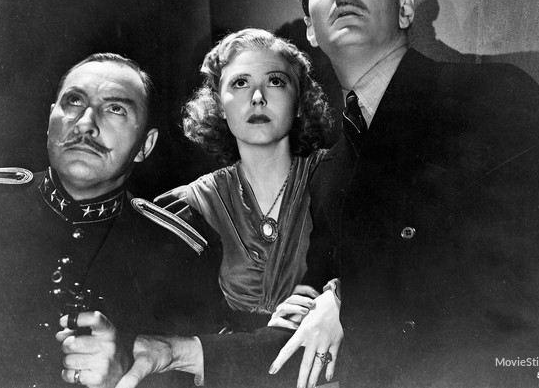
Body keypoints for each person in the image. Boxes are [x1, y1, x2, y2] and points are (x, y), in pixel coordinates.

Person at [272, 0, 539, 387]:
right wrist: (201, 350)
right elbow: (306, 333)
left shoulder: (493, 97)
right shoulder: (329, 172)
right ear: (312, 30)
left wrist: (348, 299)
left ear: (405, 10)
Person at [57, 29, 340, 388]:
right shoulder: (184, 209)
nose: (257, 97)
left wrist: (337, 297)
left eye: (275, 81)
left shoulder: (338, 176)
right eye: (239, 83)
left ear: (299, 101)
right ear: (219, 104)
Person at [0, 53, 220, 387]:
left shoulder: (179, 254)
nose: (85, 123)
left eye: (116, 108)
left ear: (144, 146)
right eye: (74, 101)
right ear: (50, 120)